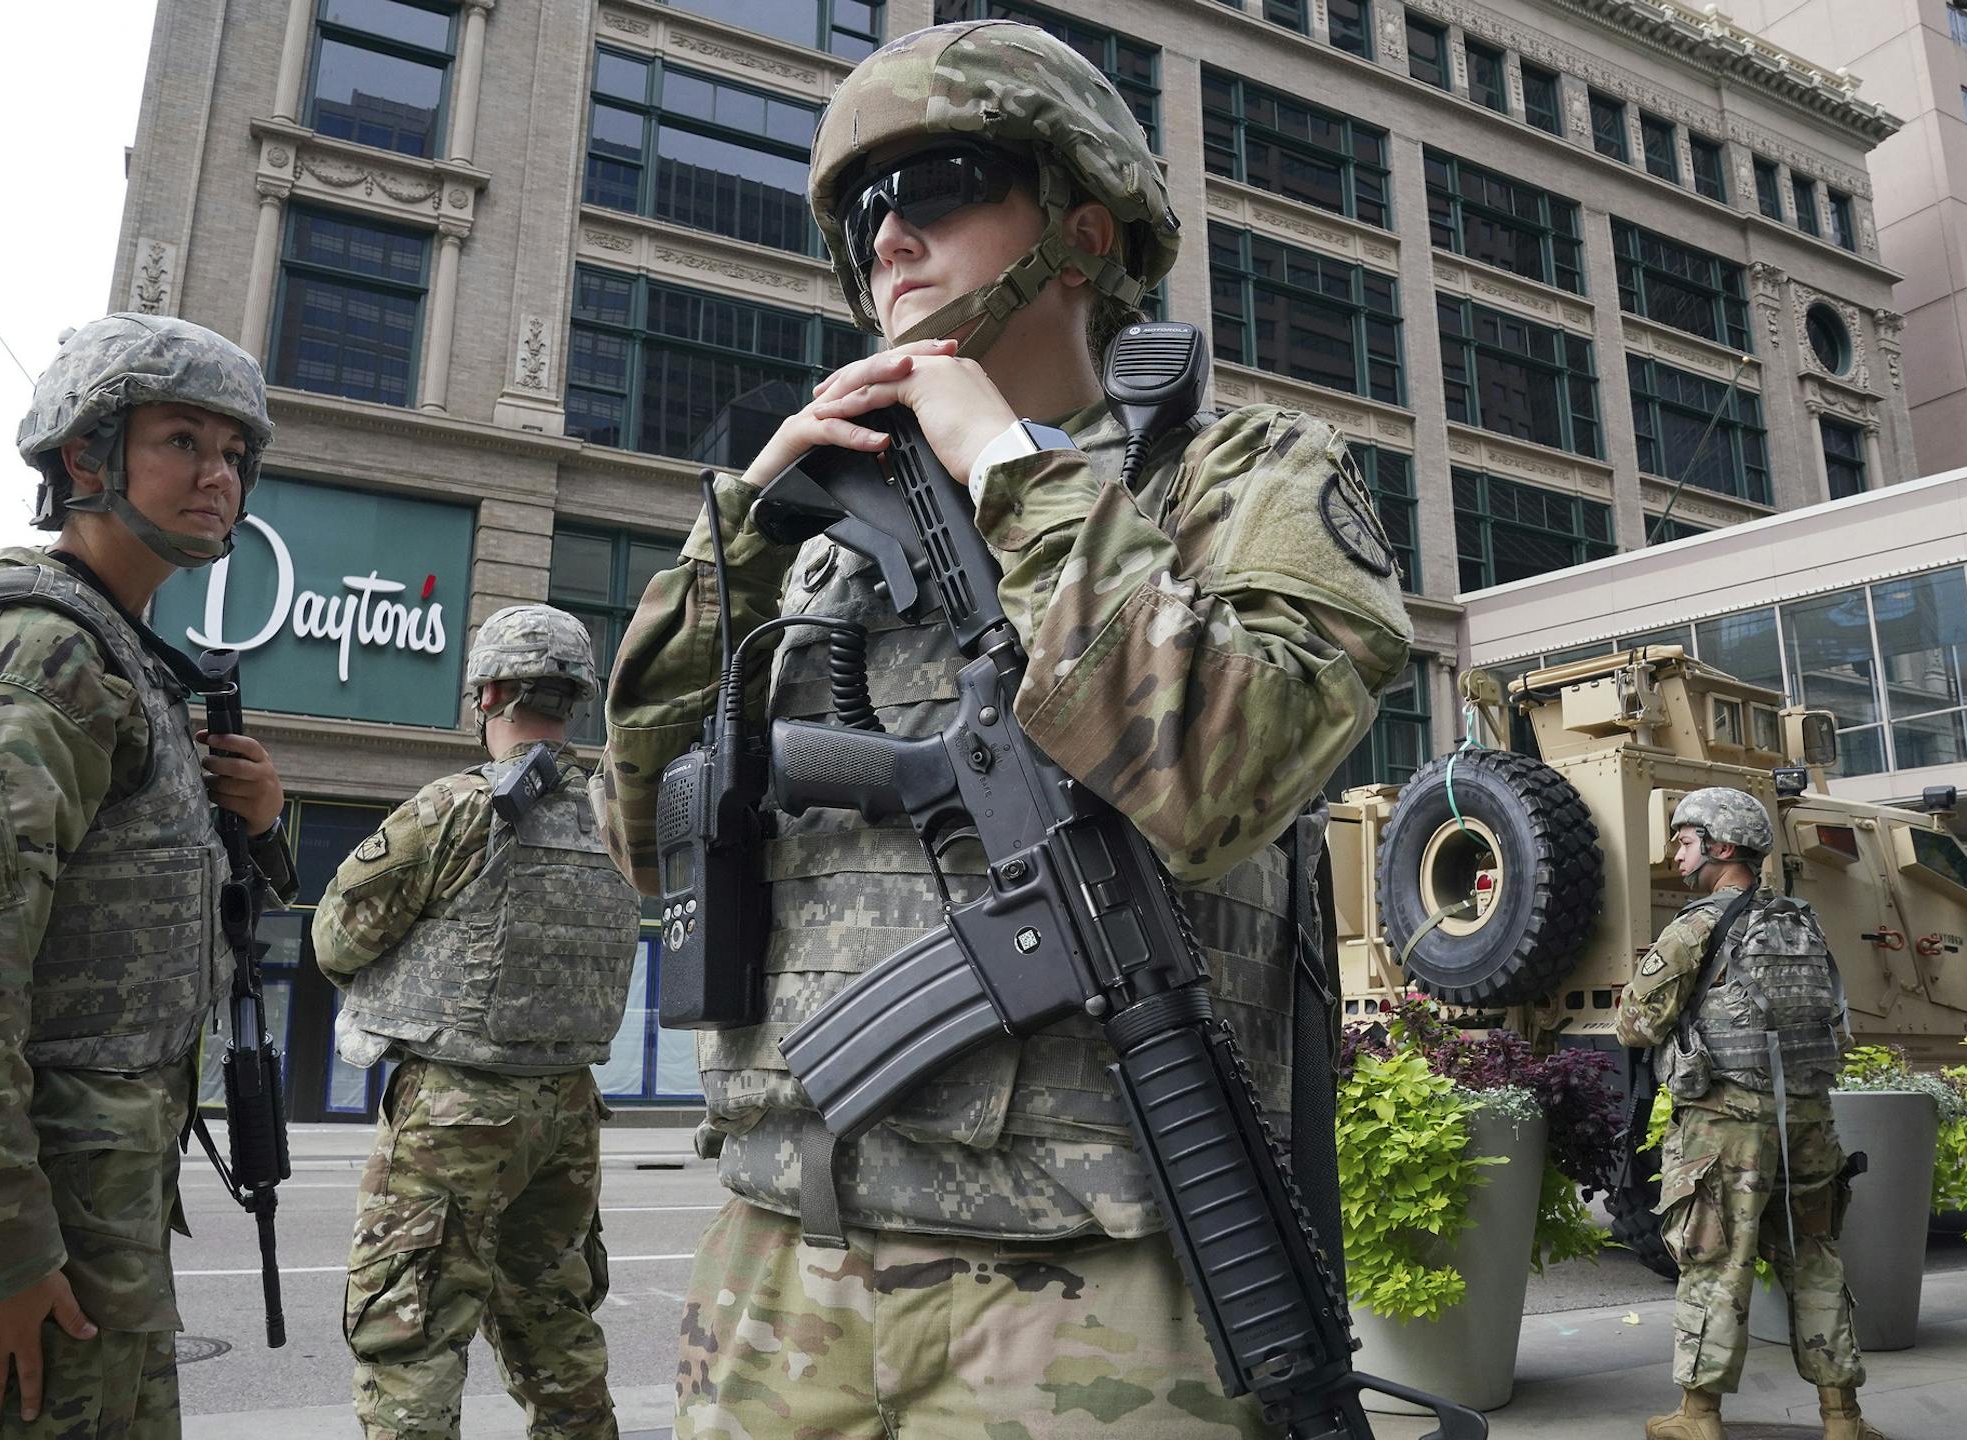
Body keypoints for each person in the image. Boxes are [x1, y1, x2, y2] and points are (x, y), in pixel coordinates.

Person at [593, 19, 1414, 1438]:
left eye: (941, 185)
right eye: (862, 214)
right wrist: (737, 537)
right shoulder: (815, 541)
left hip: (1087, 1289)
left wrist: (1013, 471)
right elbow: (643, 838)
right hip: (785, 1263)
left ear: (1082, 232)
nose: (889, 238)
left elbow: (1226, 767)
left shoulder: (1246, 473)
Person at [0, 313, 298, 1440]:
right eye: (182, 440)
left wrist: (258, 827)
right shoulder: (33, 653)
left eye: (235, 454)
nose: (219, 476)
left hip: (96, 1214)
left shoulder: (126, 659)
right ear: (86, 458)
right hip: (28, 1239)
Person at [314, 603, 640, 1440]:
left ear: (486, 693)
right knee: (556, 1329)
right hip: (569, 1110)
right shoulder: (619, 817)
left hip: (456, 1107)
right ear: (574, 698)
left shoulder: (455, 808)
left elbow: (335, 939)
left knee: (411, 1333)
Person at [1617, 786, 1885, 1440]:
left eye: (1685, 841)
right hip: (1808, 1122)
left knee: (1715, 1262)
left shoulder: (1695, 927)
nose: (1676, 855)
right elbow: (1831, 1022)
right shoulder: (1802, 923)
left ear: (1723, 847)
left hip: (1725, 1126)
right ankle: (1842, 1417)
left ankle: (1699, 1415)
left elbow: (1633, 1024)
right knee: (1816, 1259)